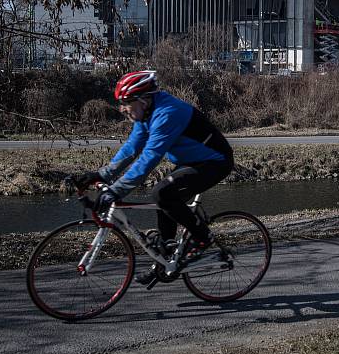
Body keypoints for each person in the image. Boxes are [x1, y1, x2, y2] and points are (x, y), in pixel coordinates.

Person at [74, 70, 234, 285]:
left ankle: (202, 237)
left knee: (162, 192)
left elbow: (149, 158)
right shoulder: (146, 113)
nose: (122, 109)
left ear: (143, 100)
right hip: (191, 161)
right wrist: (102, 174)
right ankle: (167, 260)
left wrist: (116, 190)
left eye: (126, 103)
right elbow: (132, 148)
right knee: (164, 200)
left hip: (215, 162)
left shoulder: (167, 113)